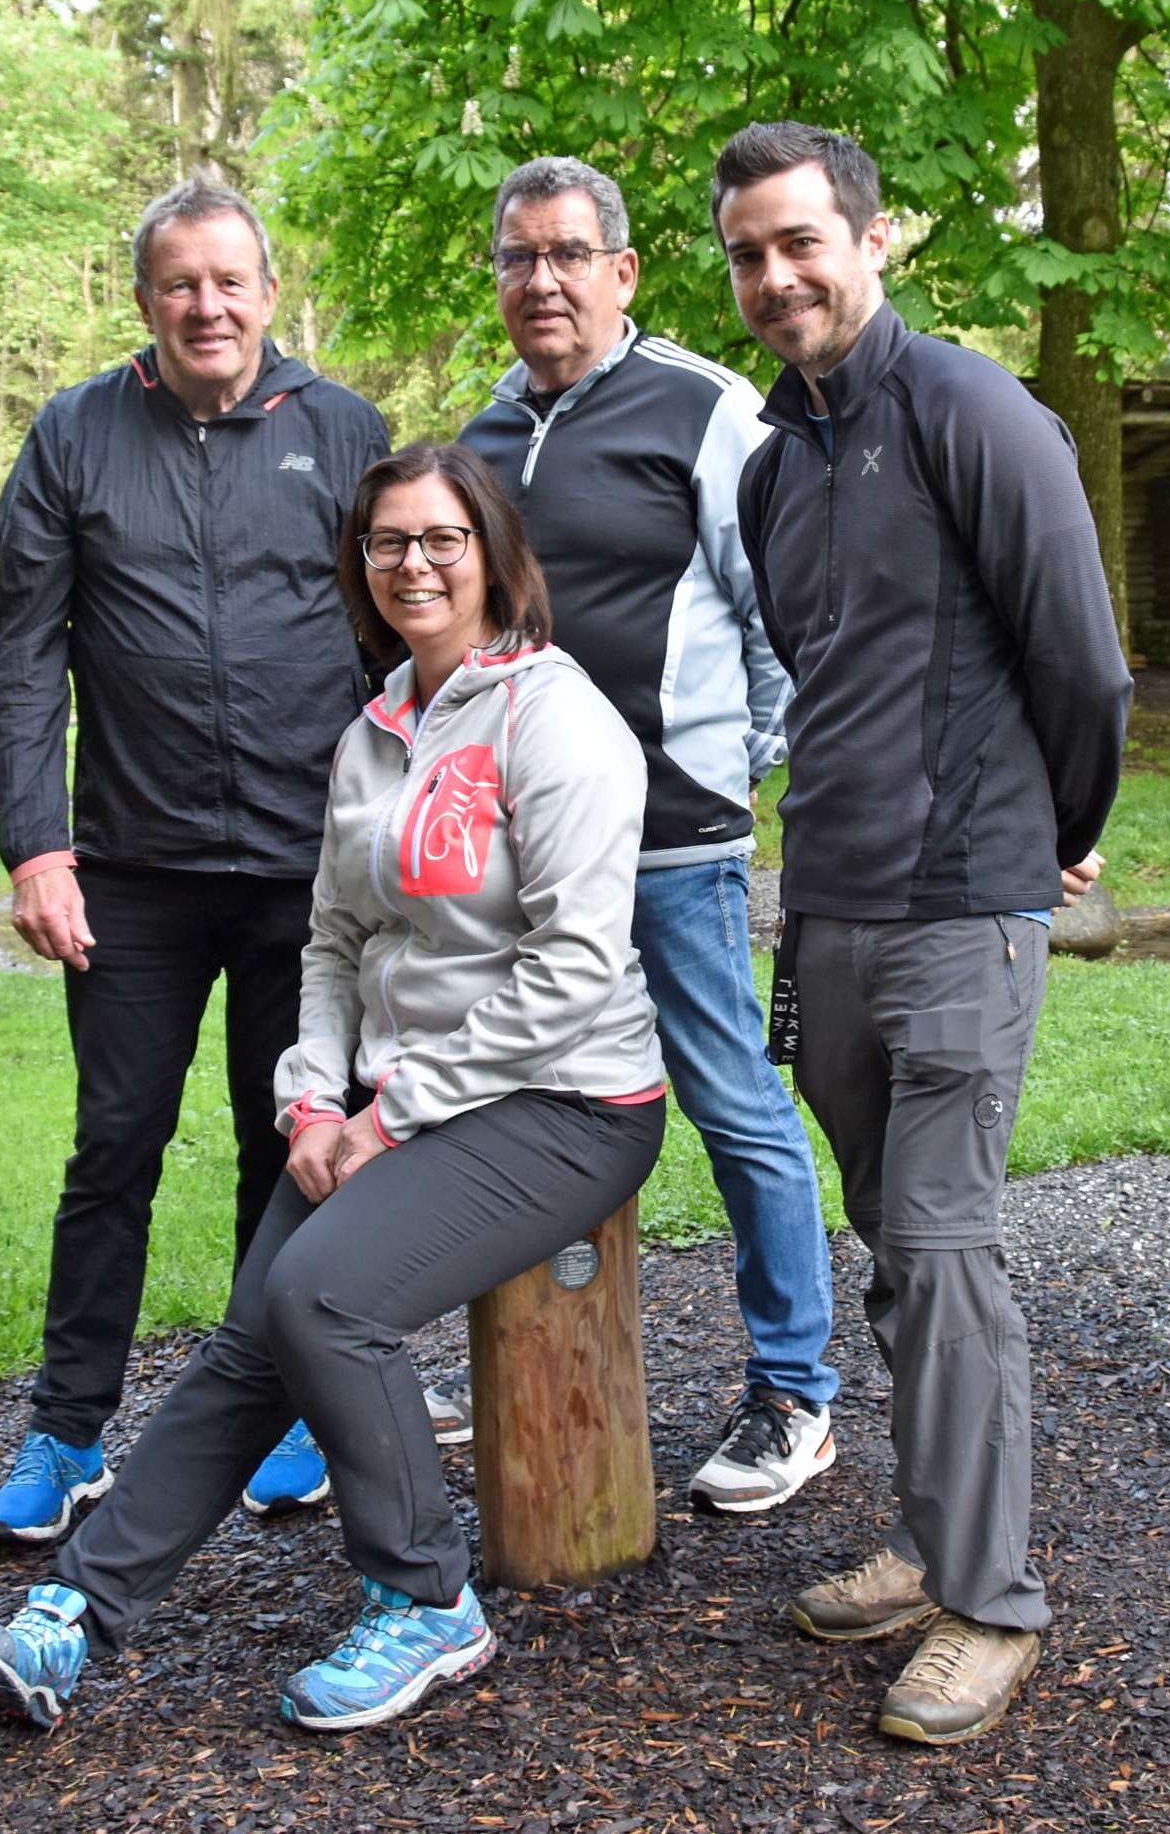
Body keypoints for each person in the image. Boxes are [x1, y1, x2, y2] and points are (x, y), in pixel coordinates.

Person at [0, 442, 669, 1733]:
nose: (413, 563)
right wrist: (315, 1097)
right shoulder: (377, 729)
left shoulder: (558, 718)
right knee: (255, 1332)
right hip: (395, 1099)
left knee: (322, 1297)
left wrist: (393, 1111)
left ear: (494, 556)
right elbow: (332, 943)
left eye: (441, 537)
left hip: (568, 1101)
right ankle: (75, 1611)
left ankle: (428, 1601)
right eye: (387, 541)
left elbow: (568, 971)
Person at [712, 122, 1131, 1745]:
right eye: (748, 253)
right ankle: (936, 1531)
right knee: (894, 1244)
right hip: (827, 916)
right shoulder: (770, 467)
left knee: (945, 1252)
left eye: (802, 242)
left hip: (964, 912)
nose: (775, 277)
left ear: (873, 241)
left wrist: (1053, 833)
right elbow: (820, 691)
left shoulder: (967, 409)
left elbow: (1078, 658)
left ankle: (991, 1600)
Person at [0, 175, 390, 1545]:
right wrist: (36, 844)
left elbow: (403, 646)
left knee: (290, 1150)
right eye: (178, 284)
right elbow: (26, 655)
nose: (205, 306)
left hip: (306, 876)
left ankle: (279, 1411)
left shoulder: (343, 434)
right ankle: (66, 1431)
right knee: (114, 1146)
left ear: (269, 293)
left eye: (229, 281)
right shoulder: (75, 435)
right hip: (134, 875)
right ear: (143, 298)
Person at [449, 155, 839, 1513]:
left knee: (730, 1098)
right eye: (516, 257)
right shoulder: (482, 441)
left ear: (622, 272)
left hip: (674, 839)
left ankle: (793, 1389)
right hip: (524, 853)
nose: (539, 280)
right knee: (502, 1094)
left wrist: (730, 765)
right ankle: (499, 1350)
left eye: (566, 254)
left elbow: (786, 609)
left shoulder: (704, 409)